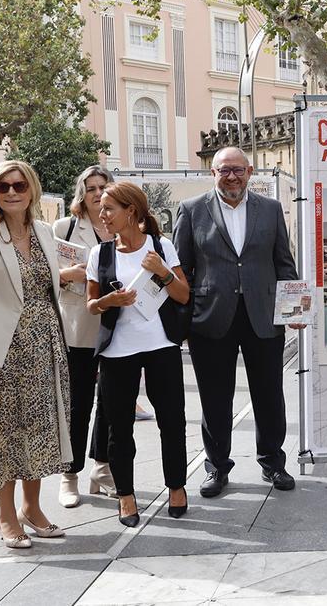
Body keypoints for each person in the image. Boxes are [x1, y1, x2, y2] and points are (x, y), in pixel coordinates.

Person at [174, 146, 303, 498]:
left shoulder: (272, 210)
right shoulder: (191, 210)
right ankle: (216, 467)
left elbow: (284, 265)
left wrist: (294, 311)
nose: (231, 176)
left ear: (250, 172)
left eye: (238, 170)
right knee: (215, 398)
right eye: (224, 170)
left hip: (263, 316)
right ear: (212, 173)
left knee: (270, 394)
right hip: (211, 318)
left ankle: (273, 463)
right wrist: (183, 325)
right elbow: (181, 271)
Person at [0, 160, 71, 549]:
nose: (11, 193)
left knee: (39, 431)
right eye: (2, 187)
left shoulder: (44, 232)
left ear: (31, 189)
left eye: (19, 185)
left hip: (45, 346)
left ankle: (31, 509)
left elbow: (52, 287)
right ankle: (5, 515)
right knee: (4, 434)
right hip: (0, 353)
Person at [86, 182, 191, 526]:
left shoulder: (161, 246)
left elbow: (183, 296)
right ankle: (126, 497)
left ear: (130, 211)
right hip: (118, 352)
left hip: (161, 346)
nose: (102, 215)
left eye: (108, 209)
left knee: (171, 421)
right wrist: (109, 301)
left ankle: (177, 487)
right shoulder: (99, 254)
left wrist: (161, 270)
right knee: (119, 429)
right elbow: (91, 306)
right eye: (101, 208)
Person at [51, 165, 116, 508]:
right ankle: (70, 474)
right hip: (78, 327)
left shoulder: (122, 224)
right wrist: (67, 274)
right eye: (90, 187)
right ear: (81, 192)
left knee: (111, 402)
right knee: (78, 404)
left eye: (102, 186)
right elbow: (44, 273)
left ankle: (102, 468)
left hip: (118, 327)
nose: (96, 192)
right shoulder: (66, 227)